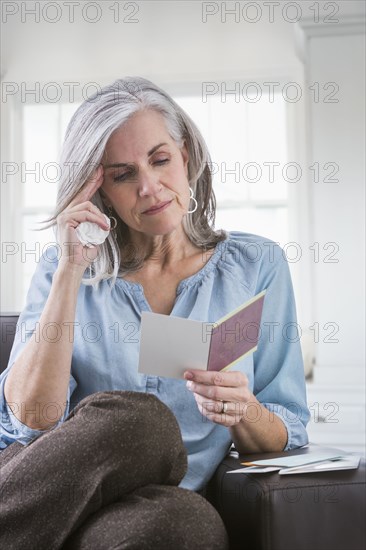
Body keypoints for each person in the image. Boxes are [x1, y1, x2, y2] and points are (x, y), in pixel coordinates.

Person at [0, 77, 309, 549]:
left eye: (160, 160)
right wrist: (69, 268)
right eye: (122, 175)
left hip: (154, 508)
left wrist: (242, 409)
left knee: (189, 525)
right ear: (98, 191)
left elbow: (287, 425)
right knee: (141, 423)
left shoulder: (257, 266)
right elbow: (33, 419)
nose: (149, 187)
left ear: (186, 156)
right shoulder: (64, 268)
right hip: (44, 499)